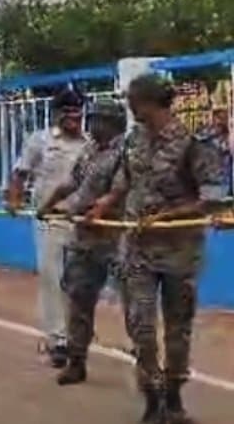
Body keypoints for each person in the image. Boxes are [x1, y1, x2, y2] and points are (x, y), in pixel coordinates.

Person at [87, 75, 229, 422]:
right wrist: (102, 204)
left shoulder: (192, 144)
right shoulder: (133, 140)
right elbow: (123, 182)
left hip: (180, 251)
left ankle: (175, 397)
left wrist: (170, 214)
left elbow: (212, 199)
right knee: (141, 325)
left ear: (150, 102)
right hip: (137, 249)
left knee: (178, 328)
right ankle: (151, 397)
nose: (129, 105)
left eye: (132, 99)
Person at [38, 98, 127, 387]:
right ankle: (77, 362)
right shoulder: (89, 150)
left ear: (115, 124)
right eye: (94, 117)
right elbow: (70, 183)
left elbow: (116, 192)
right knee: (78, 299)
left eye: (101, 119)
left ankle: (147, 364)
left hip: (117, 238)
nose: (93, 123)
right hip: (86, 239)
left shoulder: (126, 152)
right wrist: (49, 203)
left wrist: (93, 211)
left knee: (136, 301)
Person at [6, 89, 88, 368]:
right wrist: (14, 199)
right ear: (56, 114)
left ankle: (77, 335)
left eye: (78, 111)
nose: (74, 116)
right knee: (52, 278)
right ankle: (57, 340)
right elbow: (20, 173)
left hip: (83, 222)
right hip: (49, 220)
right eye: (68, 111)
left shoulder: (89, 144)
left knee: (78, 283)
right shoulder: (40, 141)